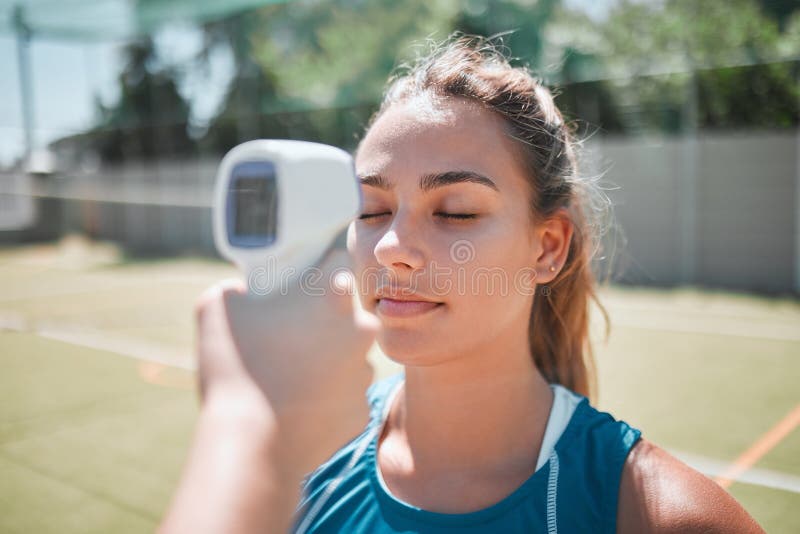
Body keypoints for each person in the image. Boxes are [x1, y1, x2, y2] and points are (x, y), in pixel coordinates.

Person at [161, 35, 765, 533]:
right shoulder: (298, 456)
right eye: (370, 210)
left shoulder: (664, 516)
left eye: (455, 211)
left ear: (547, 247)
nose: (392, 247)